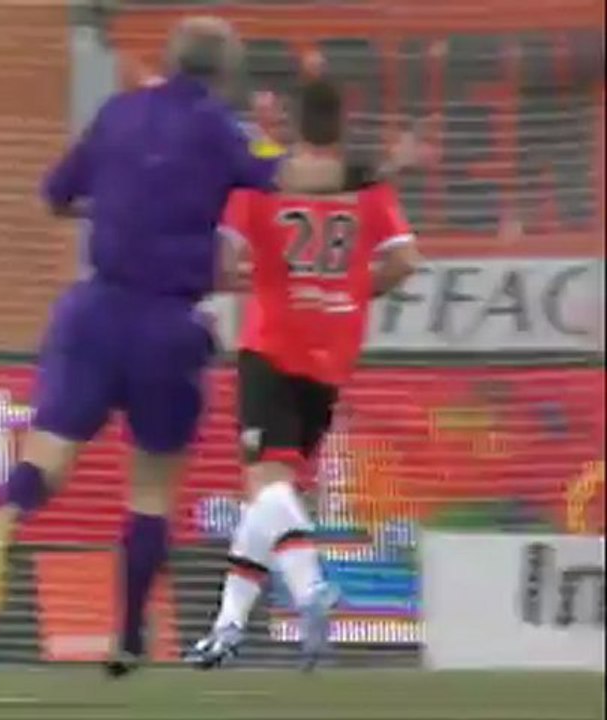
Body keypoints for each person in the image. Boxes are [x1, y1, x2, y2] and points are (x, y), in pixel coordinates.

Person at [0, 16, 412, 678]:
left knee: (50, 449)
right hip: (167, 325)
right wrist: (376, 167)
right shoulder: (222, 133)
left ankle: (7, 514)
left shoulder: (116, 113)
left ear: (170, 61)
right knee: (149, 488)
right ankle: (126, 637)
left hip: (92, 309)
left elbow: (55, 195)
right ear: (224, 73)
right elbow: (290, 177)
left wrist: (115, 208)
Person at [183, 77, 422, 671]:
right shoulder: (365, 187)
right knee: (267, 497)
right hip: (333, 350)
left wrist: (235, 278)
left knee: (267, 488)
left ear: (291, 121)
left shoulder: (262, 182)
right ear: (342, 123)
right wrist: (351, 292)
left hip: (272, 344)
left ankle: (312, 586)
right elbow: (405, 259)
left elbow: (227, 257)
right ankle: (227, 628)